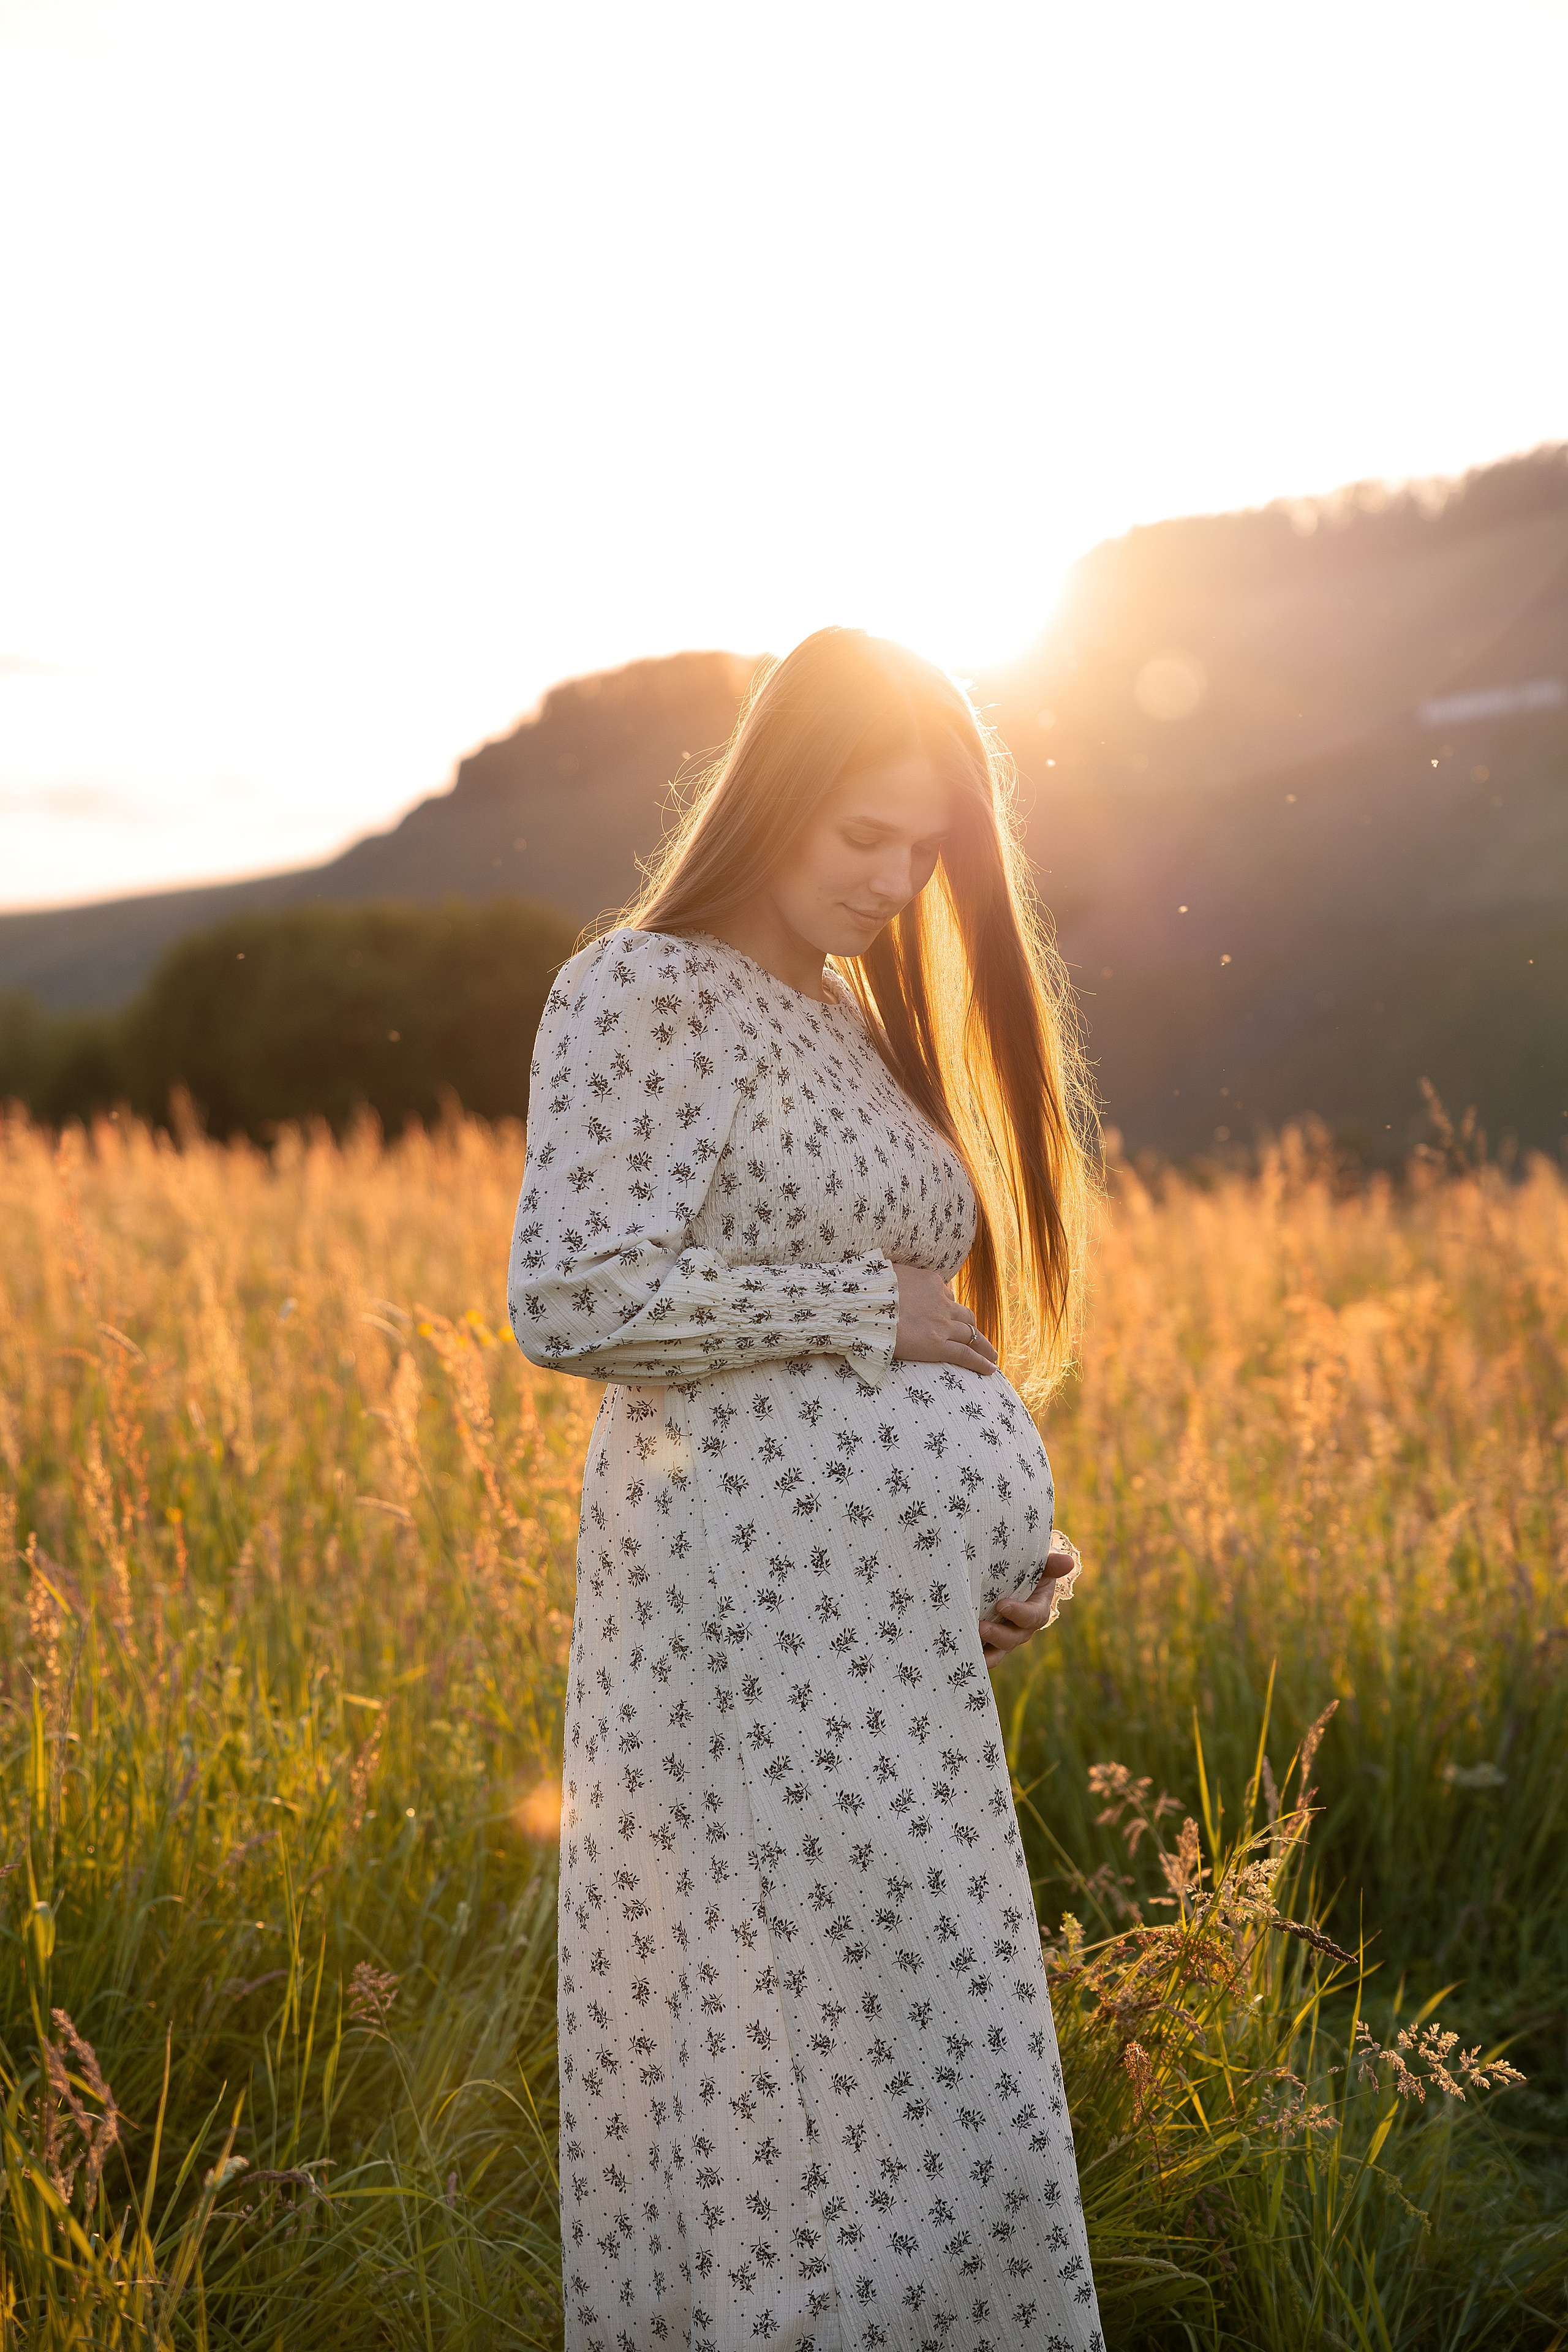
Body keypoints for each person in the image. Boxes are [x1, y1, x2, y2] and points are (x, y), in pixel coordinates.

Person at [508, 628, 1104, 2352]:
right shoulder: (641, 989)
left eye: (922, 848)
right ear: (768, 796)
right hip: (758, 1668)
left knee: (945, 2064)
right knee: (816, 2081)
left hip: (891, 1663)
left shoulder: (840, 1021)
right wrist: (862, 1306)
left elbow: (922, 1363)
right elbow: (574, 1295)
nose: (895, 880)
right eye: (861, 835)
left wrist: (1006, 1554)